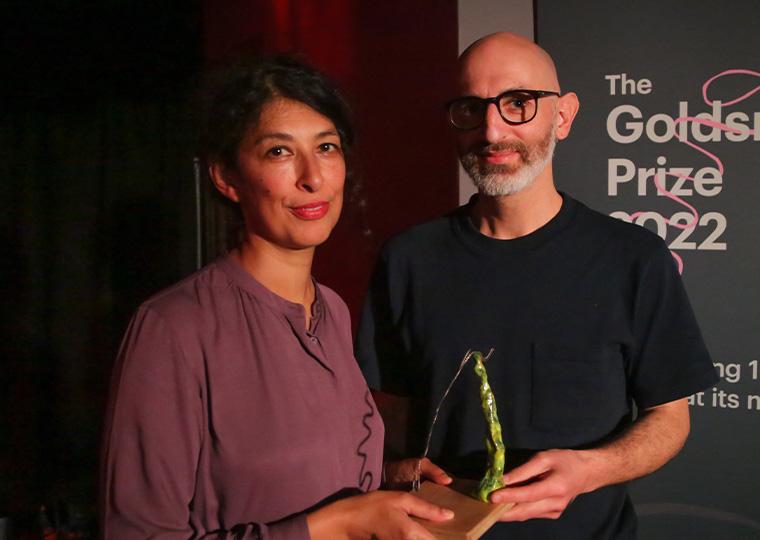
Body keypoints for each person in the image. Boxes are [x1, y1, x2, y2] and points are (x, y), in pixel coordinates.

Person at [356, 33, 719, 539]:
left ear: (563, 116)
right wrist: (393, 467)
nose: (492, 130)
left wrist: (592, 469)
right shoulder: (407, 259)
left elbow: (670, 418)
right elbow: (390, 415)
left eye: (518, 103)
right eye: (471, 108)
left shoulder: (633, 258)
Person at [99, 55, 452, 540]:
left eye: (326, 147)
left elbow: (297, 473)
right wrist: (335, 525)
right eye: (279, 152)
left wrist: (389, 480)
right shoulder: (174, 328)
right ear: (226, 177)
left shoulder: (330, 310)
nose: (312, 176)